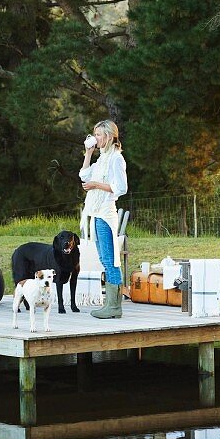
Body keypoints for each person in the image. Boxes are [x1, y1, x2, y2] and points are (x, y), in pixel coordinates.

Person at [79, 120, 128, 320]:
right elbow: (83, 175)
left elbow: (121, 188)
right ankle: (112, 304)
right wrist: (88, 153)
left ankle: (114, 306)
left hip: (106, 214)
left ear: (108, 136)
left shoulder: (116, 158)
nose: (95, 138)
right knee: (104, 259)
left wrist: (97, 185)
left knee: (110, 260)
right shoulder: (102, 158)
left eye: (99, 135)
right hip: (96, 213)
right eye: (95, 134)